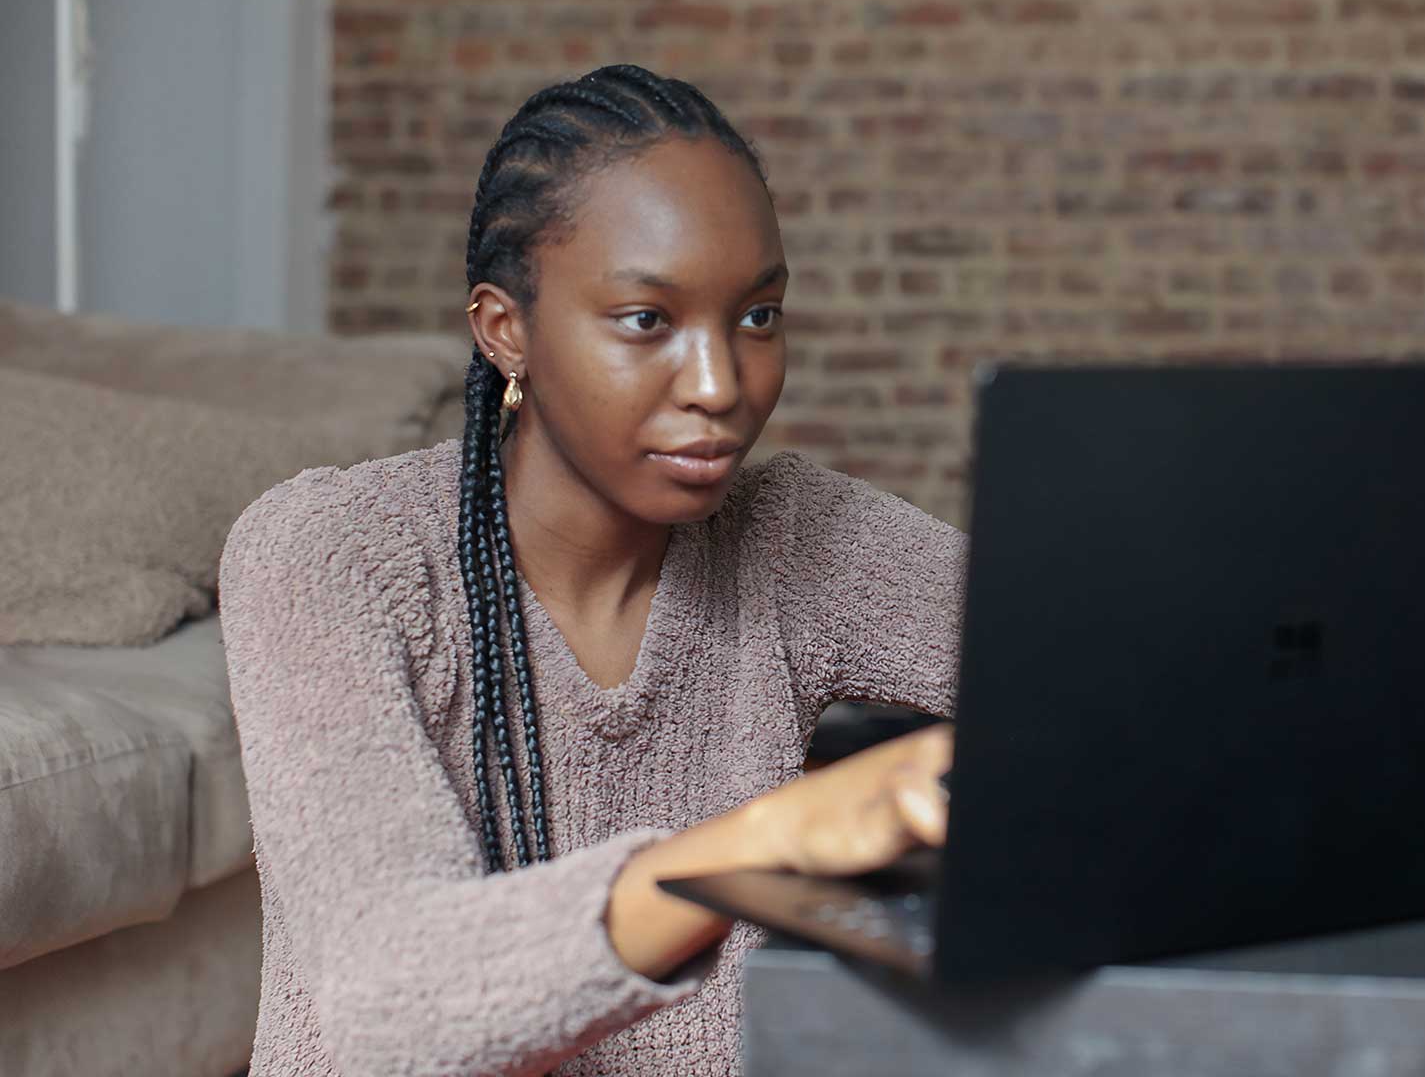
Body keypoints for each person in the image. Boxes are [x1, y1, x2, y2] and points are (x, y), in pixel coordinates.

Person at [217, 64, 963, 1076]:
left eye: (755, 317)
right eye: (645, 321)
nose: (719, 387)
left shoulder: (792, 534)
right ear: (504, 330)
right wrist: (768, 845)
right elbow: (387, 1002)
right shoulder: (331, 552)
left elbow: (1092, 663)